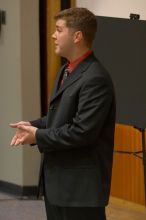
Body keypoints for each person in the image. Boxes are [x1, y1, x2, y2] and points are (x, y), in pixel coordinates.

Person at [10, 7, 116, 220]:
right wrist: (34, 125)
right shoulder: (66, 70)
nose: (53, 35)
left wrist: (37, 135)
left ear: (77, 36)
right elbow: (60, 117)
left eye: (59, 30)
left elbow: (82, 132)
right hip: (59, 185)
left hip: (79, 191)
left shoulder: (95, 78)